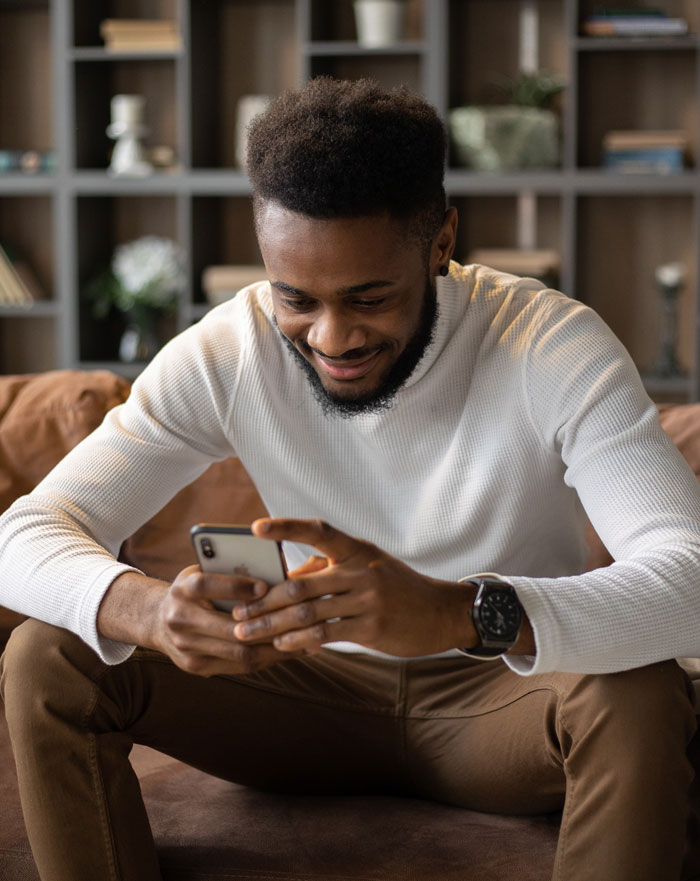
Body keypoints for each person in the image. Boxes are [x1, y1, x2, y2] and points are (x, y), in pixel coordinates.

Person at [0, 77, 699, 881]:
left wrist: (453, 611)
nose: (331, 337)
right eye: (295, 297)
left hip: (497, 698)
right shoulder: (230, 349)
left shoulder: (550, 344)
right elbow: (23, 531)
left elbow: (692, 580)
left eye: (369, 297)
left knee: (639, 692)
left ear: (441, 242)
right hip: (304, 694)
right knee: (47, 654)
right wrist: (149, 609)